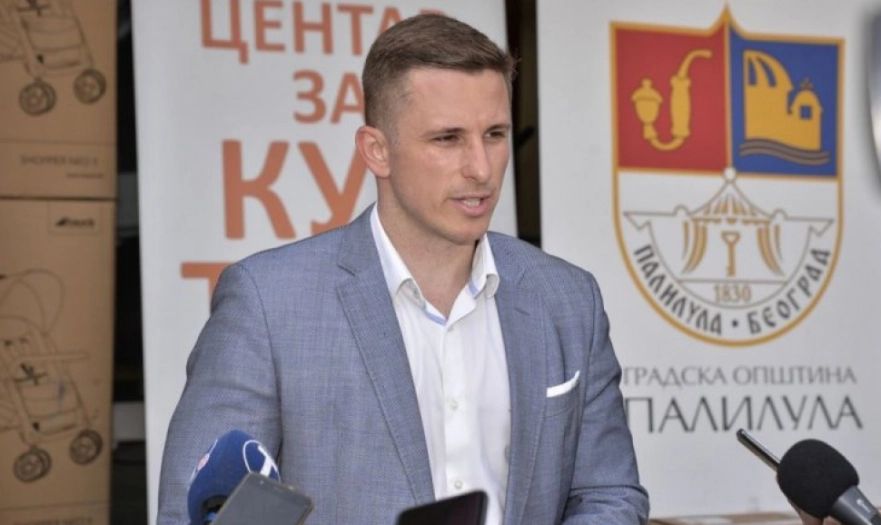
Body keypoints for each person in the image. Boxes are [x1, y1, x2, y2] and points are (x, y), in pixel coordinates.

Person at [157, 13, 650, 525]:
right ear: (377, 151)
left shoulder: (568, 299)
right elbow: (192, 513)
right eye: (448, 139)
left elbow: (610, 495)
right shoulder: (268, 304)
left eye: (495, 134)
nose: (481, 168)